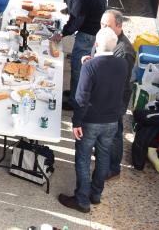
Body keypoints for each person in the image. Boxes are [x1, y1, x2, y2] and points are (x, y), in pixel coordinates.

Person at [58, 27, 128, 213]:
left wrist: (76, 123)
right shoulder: (122, 64)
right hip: (111, 121)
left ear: (96, 44)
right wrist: (90, 63)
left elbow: (81, 99)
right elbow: (107, 78)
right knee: (103, 156)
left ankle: (81, 199)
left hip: (90, 121)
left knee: (83, 158)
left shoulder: (90, 67)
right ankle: (96, 195)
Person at [57, 0, 108, 103]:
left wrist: (62, 33)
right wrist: (70, 8)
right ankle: (75, 93)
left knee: (77, 66)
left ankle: (75, 100)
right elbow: (89, 4)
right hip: (95, 27)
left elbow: (76, 21)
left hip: (87, 33)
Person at [101, 9, 136, 180]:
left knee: (115, 133)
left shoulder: (124, 51)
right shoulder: (108, 37)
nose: (103, 29)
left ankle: (113, 167)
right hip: (107, 95)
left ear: (119, 26)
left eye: (107, 25)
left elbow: (120, 82)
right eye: (102, 25)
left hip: (115, 99)